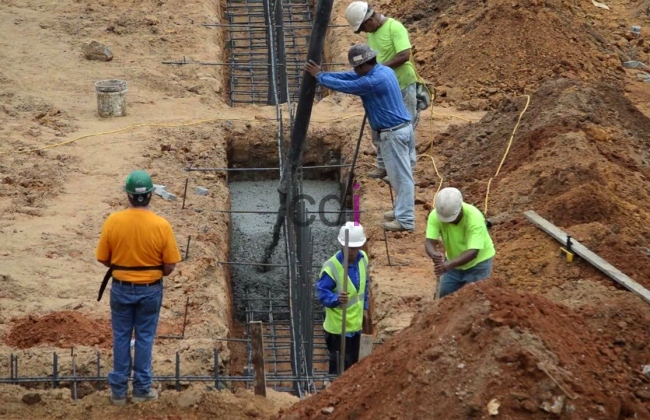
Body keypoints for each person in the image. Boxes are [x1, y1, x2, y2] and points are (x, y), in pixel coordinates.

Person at [305, 44, 415, 231]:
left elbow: (346, 85)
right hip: (400, 129)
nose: (354, 70)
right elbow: (348, 76)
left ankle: (405, 220)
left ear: (363, 65)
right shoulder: (383, 71)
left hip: (393, 135)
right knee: (400, 176)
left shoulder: (372, 81)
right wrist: (323, 74)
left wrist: (319, 77)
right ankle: (400, 211)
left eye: (356, 67)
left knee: (401, 178)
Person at [95, 170, 181, 405]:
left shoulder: (114, 221)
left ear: (128, 195)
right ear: (151, 195)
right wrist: (153, 272)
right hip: (150, 289)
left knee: (121, 336)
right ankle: (142, 389)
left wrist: (123, 266)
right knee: (144, 338)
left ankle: (119, 392)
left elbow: (102, 257)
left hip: (121, 287)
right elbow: (170, 265)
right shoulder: (161, 225)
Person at [345, 1, 419, 180]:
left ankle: (405, 168)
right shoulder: (373, 34)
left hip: (402, 84)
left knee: (405, 127)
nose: (364, 32)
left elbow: (404, 55)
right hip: (383, 88)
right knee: (380, 126)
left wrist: (379, 71)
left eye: (363, 28)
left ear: (369, 19)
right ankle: (383, 166)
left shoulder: (395, 28)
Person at [317, 222, 370, 375]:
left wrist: (365, 307)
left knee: (353, 366)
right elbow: (322, 293)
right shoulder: (332, 267)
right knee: (339, 370)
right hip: (338, 330)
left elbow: (365, 285)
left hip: (355, 326)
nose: (352, 251)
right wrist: (336, 298)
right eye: (349, 247)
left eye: (355, 247)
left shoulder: (363, 258)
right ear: (342, 244)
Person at [424, 187, 495, 298]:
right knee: (445, 297)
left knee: (474, 299)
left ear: (460, 208)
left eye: (451, 218)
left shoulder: (474, 218)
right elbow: (429, 242)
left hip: (478, 265)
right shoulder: (436, 215)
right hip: (452, 265)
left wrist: (449, 265)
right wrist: (433, 253)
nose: (448, 222)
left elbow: (473, 251)